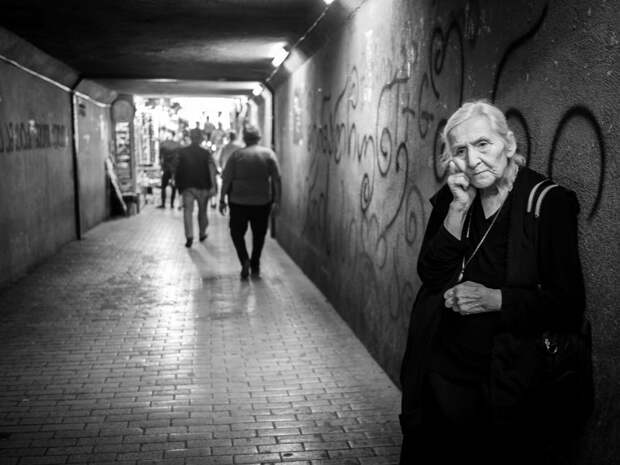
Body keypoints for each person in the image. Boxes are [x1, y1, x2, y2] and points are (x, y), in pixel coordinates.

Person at [398, 100, 586, 465]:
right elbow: (431, 274)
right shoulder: (453, 197)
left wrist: (496, 299)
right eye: (460, 151)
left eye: (483, 144)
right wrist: (458, 208)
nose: (473, 160)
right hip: (442, 374)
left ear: (509, 144)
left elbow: (568, 304)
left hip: (508, 383)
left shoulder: (547, 203)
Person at [219, 126, 281, 279]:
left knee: (236, 232)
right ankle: (255, 263)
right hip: (262, 201)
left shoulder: (236, 155)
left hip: (238, 202)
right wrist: (277, 200)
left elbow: (226, 179)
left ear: (245, 139)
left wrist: (222, 199)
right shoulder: (268, 154)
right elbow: (277, 179)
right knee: (259, 234)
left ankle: (244, 259)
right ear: (259, 138)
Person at [175, 128, 217, 247]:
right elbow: (212, 171)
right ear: (200, 139)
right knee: (202, 212)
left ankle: (189, 236)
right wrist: (213, 186)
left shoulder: (182, 152)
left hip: (187, 187)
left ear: (190, 137)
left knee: (187, 211)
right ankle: (202, 233)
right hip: (203, 186)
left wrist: (178, 186)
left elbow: (178, 169)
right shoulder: (206, 153)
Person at [157, 130, 180, 209]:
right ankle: (172, 204)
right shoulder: (177, 145)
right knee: (174, 187)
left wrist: (162, 166)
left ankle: (163, 204)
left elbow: (160, 158)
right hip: (174, 169)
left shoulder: (163, 144)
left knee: (163, 186)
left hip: (166, 168)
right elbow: (179, 158)